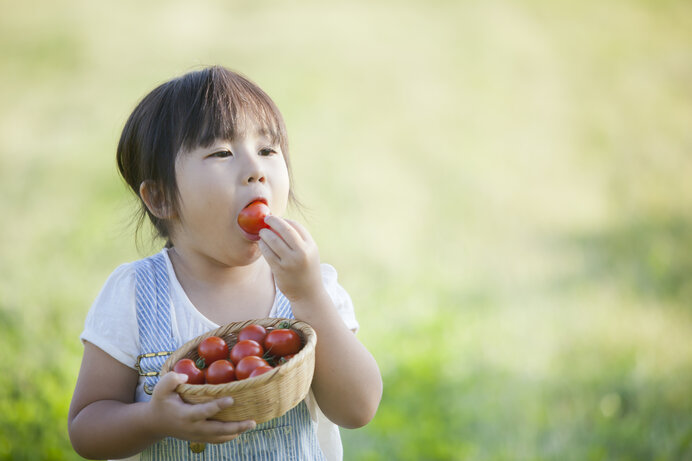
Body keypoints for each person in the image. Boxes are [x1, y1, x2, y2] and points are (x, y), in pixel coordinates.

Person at [68, 65, 383, 461]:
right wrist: (151, 420)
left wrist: (308, 296)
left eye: (268, 151)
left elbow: (358, 408)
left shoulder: (311, 288)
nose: (256, 171)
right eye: (221, 153)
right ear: (161, 198)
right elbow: (86, 428)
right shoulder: (135, 294)